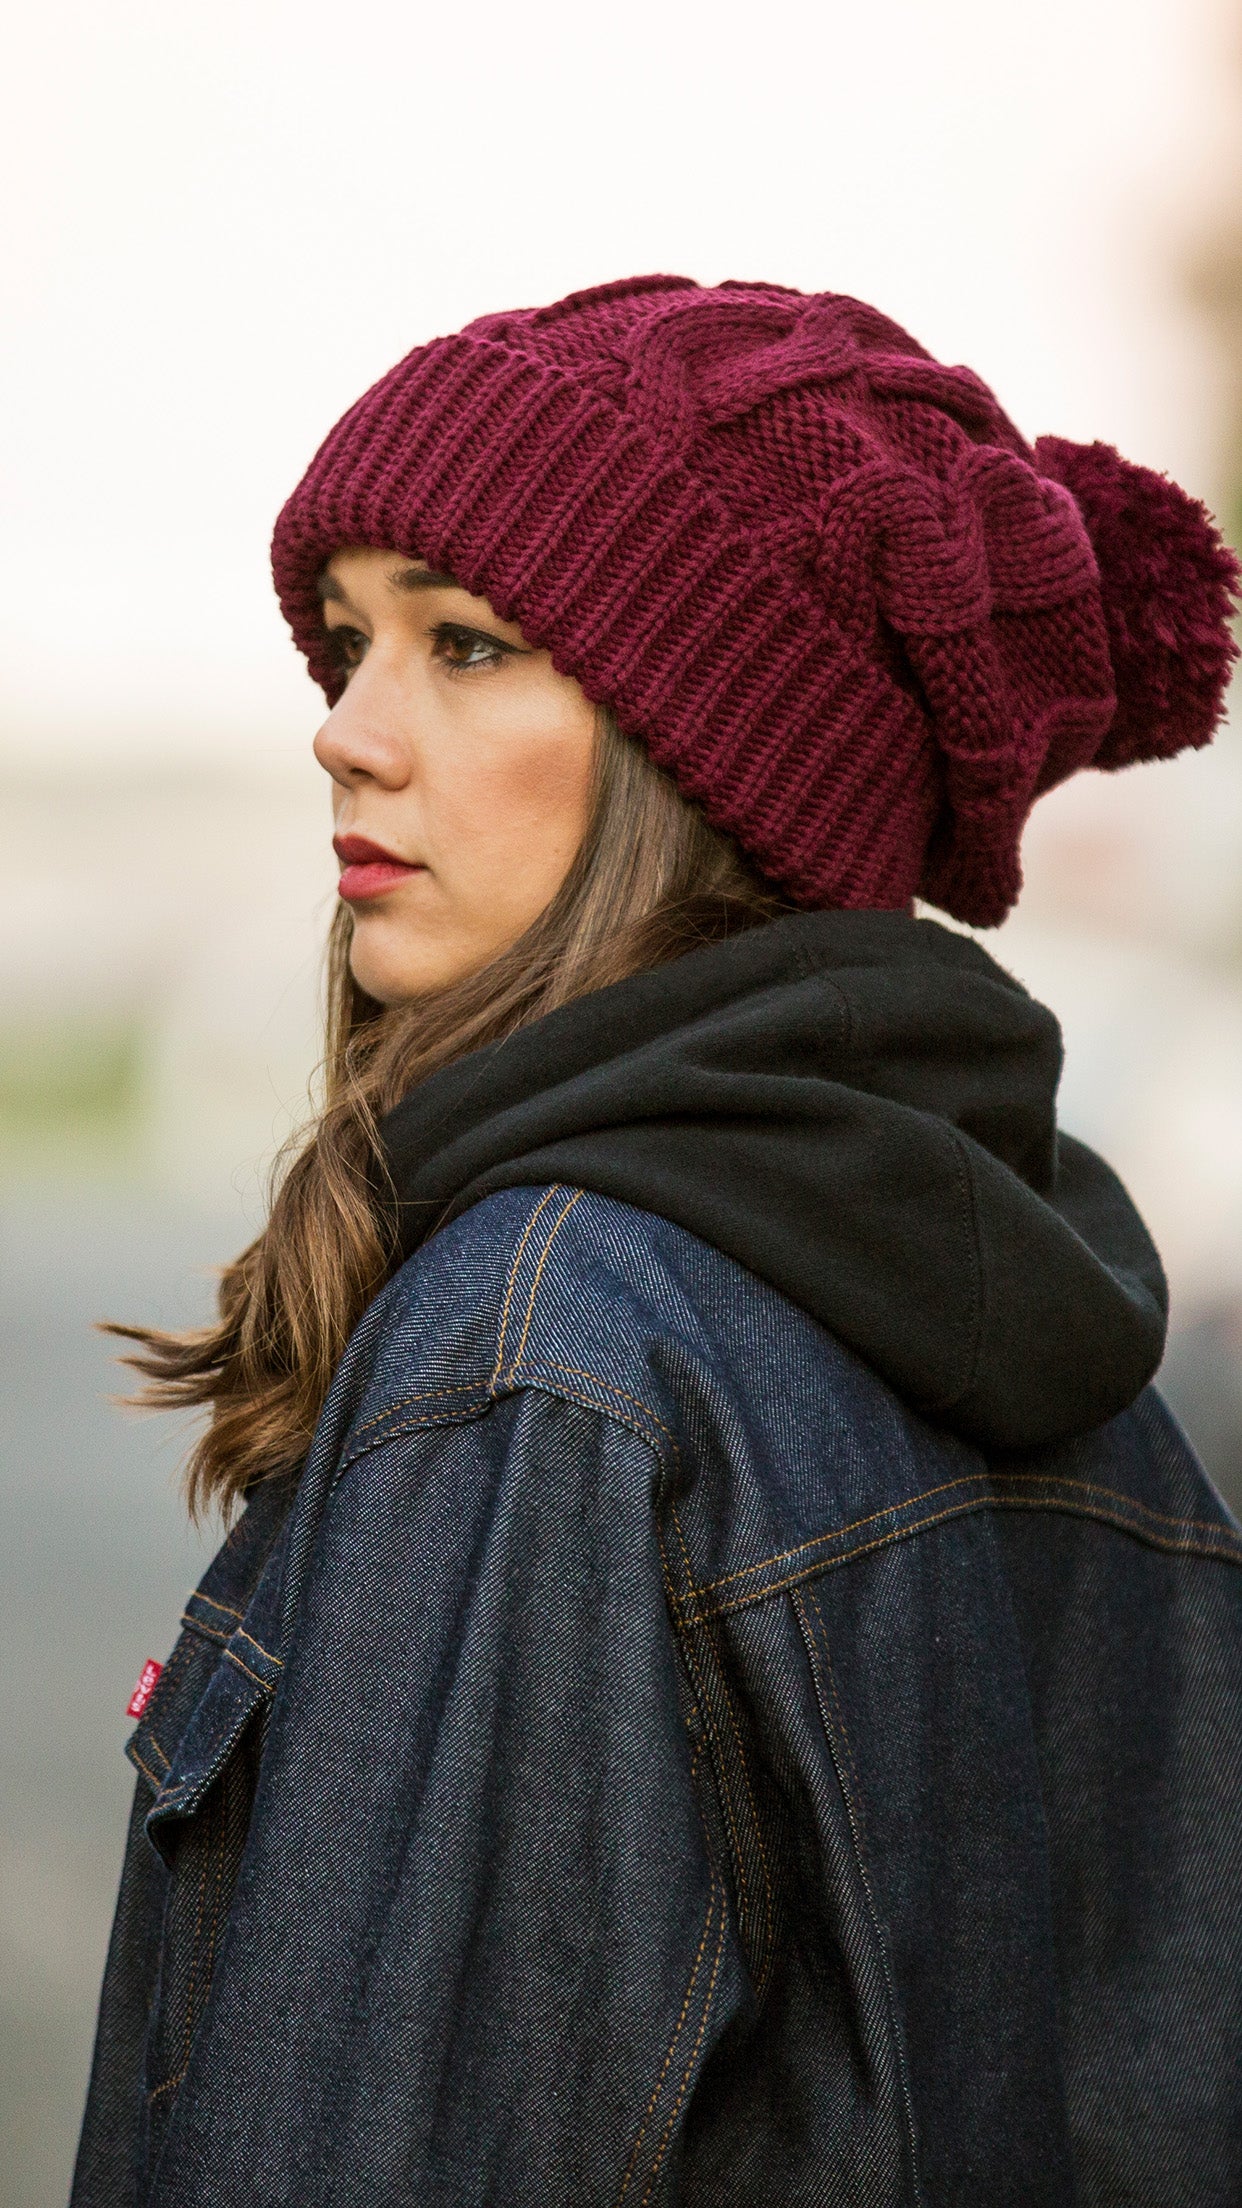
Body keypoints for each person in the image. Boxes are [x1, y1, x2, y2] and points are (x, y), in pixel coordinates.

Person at [72, 275, 1242, 2208]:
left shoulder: (544, 1351)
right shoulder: (1083, 1362)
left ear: (716, 762)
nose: (345, 735)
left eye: (467, 645)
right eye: (345, 645)